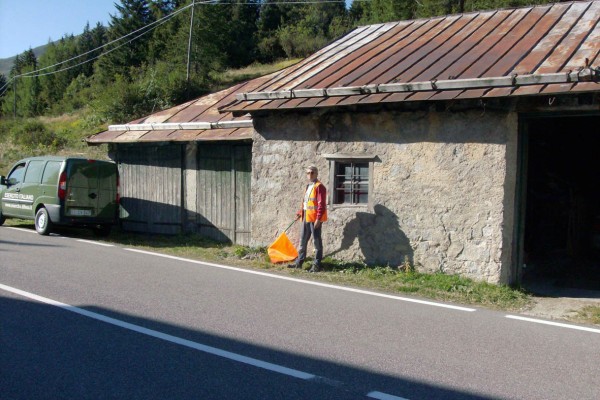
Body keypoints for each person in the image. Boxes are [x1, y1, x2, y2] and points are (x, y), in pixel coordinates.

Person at [289, 165, 327, 272]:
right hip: (306, 216)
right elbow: (307, 203)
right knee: (303, 240)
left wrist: (318, 219)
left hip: (315, 218)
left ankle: (317, 264)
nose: (310, 175)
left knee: (316, 242)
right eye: (308, 173)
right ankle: (299, 262)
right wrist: (300, 212)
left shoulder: (320, 186)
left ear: (316, 173)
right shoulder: (308, 186)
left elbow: (321, 204)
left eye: (312, 172)